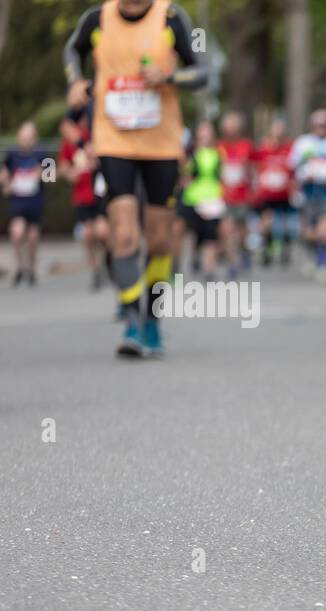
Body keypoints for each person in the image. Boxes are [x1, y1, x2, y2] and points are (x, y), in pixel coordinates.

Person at [64, 0, 207, 358]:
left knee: (159, 240)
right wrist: (76, 81)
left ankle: (153, 319)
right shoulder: (97, 19)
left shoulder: (171, 18)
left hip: (161, 143)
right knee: (124, 233)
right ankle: (131, 319)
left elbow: (201, 72)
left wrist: (169, 77)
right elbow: (72, 50)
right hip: (113, 139)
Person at [58, 109, 110, 291]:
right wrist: (69, 173)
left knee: (102, 232)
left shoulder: (97, 136)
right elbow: (61, 165)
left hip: (100, 192)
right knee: (88, 234)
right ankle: (96, 269)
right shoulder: (69, 143)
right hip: (81, 194)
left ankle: (108, 261)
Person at [290, 108, 326, 282]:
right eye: (318, 125)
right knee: (309, 231)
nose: (322, 128)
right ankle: (310, 255)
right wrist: (301, 178)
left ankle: (323, 264)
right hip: (307, 191)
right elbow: (292, 166)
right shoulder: (303, 143)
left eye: (325, 125)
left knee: (325, 230)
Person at [2, 122, 51, 288]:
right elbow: (4, 172)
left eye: (29, 138)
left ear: (34, 139)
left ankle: (31, 268)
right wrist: (6, 183)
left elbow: (51, 177)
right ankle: (20, 267)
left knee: (32, 237)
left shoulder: (43, 153)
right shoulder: (12, 154)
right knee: (16, 233)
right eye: (23, 138)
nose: (26, 141)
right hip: (18, 201)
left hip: (35, 201)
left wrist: (40, 174)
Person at [179, 120, 223, 281]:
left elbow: (222, 174)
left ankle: (208, 268)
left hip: (212, 198)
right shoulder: (191, 154)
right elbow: (185, 174)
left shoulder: (218, 153)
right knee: (194, 233)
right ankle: (194, 256)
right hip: (193, 199)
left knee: (210, 234)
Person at [251, 118, 296, 269]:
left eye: (281, 130)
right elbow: (255, 166)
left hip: (284, 193)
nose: (278, 134)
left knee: (284, 225)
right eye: (276, 130)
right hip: (267, 193)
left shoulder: (290, 148)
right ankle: (267, 248)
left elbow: (293, 169)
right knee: (266, 224)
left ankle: (285, 247)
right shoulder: (264, 149)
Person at [217, 111, 254, 277]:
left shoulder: (247, 146)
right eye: (228, 126)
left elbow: (254, 167)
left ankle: (245, 251)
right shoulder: (219, 146)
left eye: (234, 126)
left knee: (241, 231)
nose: (231, 130)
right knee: (227, 229)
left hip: (242, 195)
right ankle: (232, 263)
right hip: (224, 196)